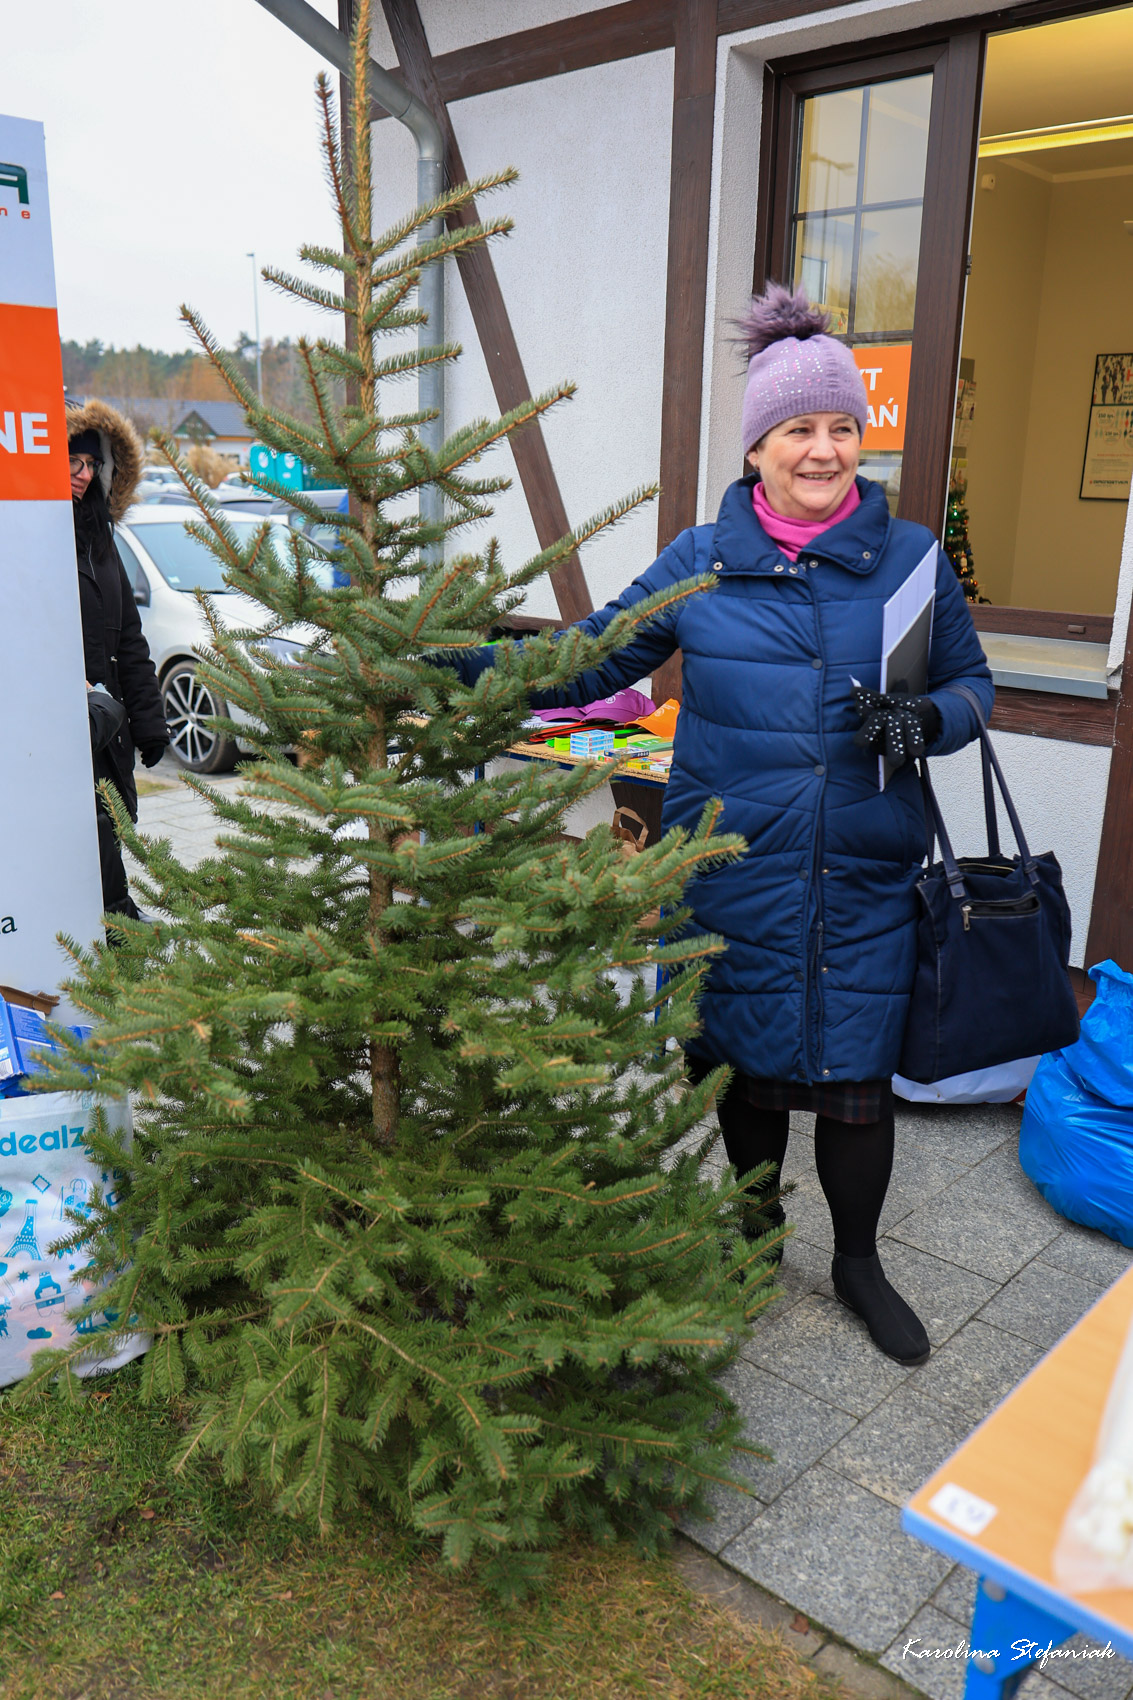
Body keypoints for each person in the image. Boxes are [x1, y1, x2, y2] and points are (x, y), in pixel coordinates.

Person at [444, 285, 993, 1367]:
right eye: (798, 429)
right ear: (756, 448)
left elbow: (975, 687)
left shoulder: (910, 558)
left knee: (855, 1089)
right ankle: (753, 1238)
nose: (823, 449)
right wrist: (449, 663)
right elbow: (586, 660)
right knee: (743, 1070)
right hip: (733, 870)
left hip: (860, 872)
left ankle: (857, 1263)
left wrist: (927, 719)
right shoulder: (699, 558)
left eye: (840, 427)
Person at [67, 400, 169, 919]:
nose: (84, 474)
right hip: (64, 723)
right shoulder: (26, 539)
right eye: (72, 461)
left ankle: (115, 915)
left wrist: (150, 725)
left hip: (109, 724)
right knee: (80, 827)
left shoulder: (101, 538)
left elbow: (129, 638)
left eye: (92, 464)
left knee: (110, 820)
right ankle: (111, 919)